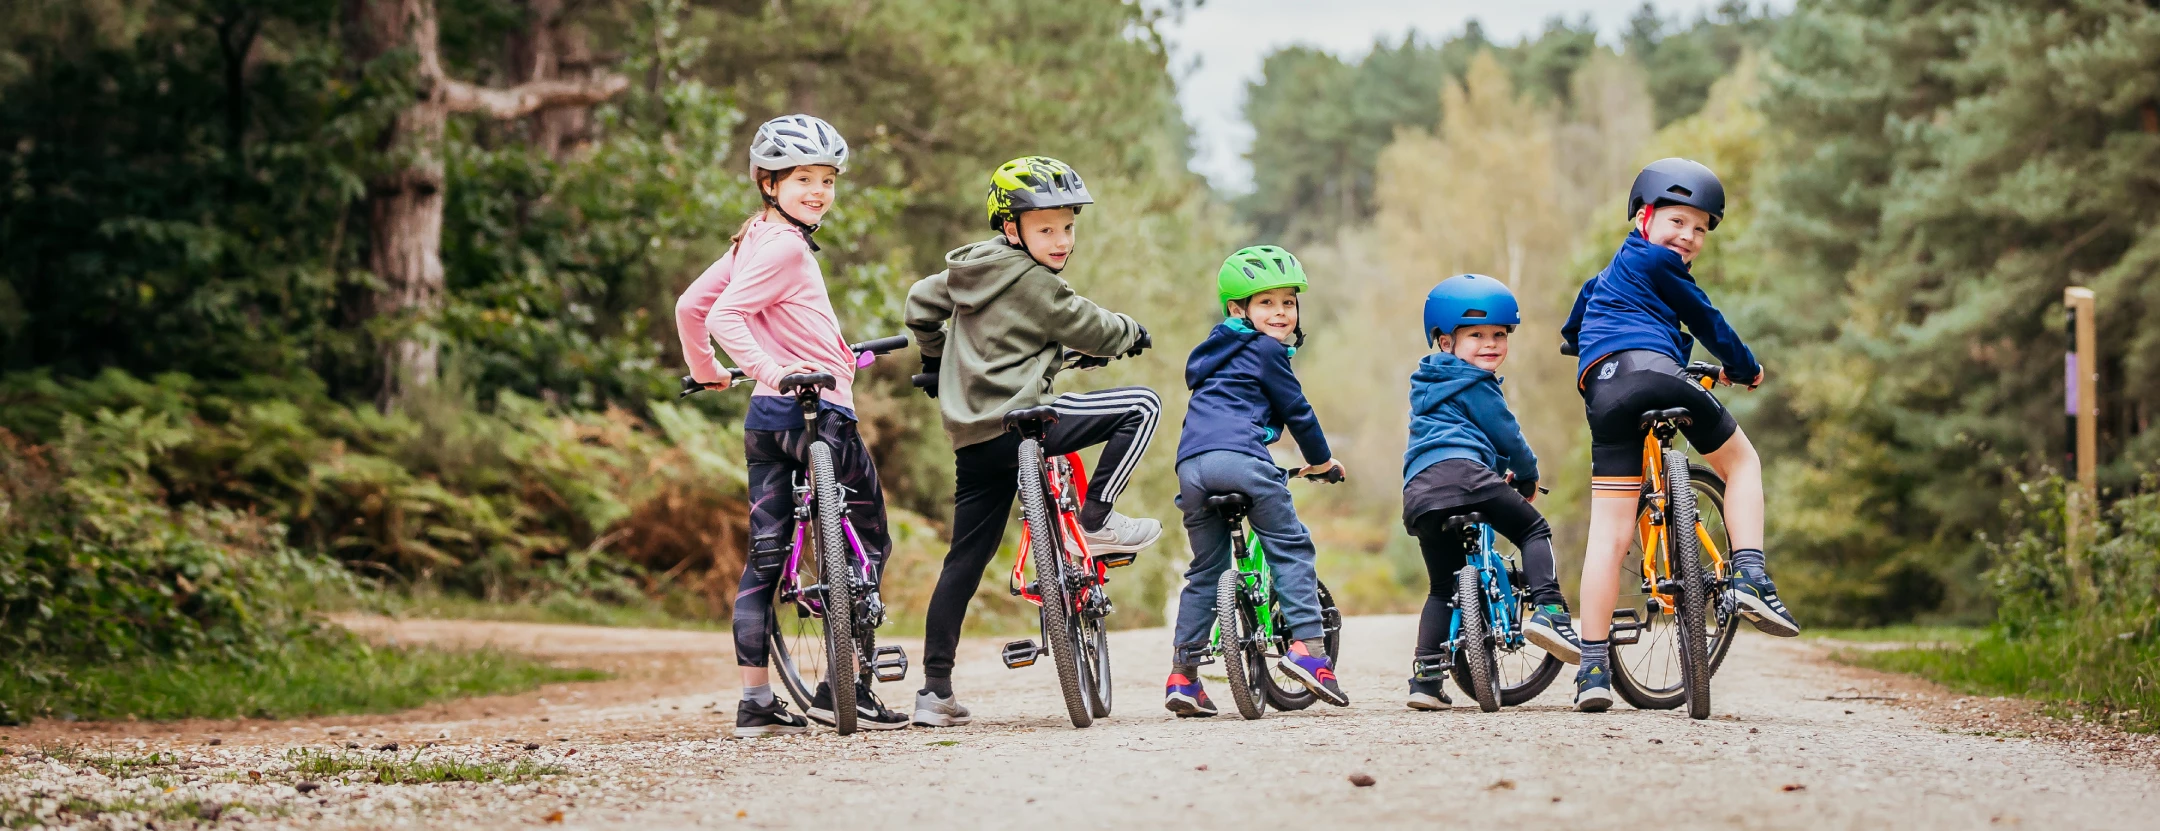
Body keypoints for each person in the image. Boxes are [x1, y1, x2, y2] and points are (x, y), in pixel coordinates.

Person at [904, 156, 1162, 727]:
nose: (1062, 239)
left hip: (974, 440)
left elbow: (920, 305)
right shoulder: (1037, 284)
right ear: (1010, 227)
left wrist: (932, 358)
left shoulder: (967, 271)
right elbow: (1092, 326)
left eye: (1068, 226)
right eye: (1045, 228)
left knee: (964, 560)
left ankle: (934, 690)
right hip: (1027, 424)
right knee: (1143, 406)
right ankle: (1095, 521)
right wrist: (1131, 332)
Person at [673, 114, 909, 736]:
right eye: (803, 178)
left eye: (827, 180)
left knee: (766, 557)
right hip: (819, 413)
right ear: (767, 181)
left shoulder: (753, 237)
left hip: (767, 421)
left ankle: (756, 702)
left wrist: (714, 373)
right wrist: (771, 368)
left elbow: (690, 307)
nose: (818, 192)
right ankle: (845, 686)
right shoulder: (784, 245)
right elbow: (725, 316)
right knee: (871, 538)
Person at [1559, 157, 1799, 714]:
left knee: (1608, 535)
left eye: (1699, 228)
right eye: (1677, 222)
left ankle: (1593, 671)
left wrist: (1587, 342)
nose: (1688, 237)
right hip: (1659, 374)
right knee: (1742, 464)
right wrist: (1745, 367)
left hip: (1603, 393)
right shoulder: (1661, 266)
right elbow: (1709, 321)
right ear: (1643, 218)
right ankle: (1751, 578)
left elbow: (1573, 327)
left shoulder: (1609, 274)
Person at [1163, 246, 1348, 717]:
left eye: (1288, 302)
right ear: (1237, 309)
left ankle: (1183, 677)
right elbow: (1298, 413)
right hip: (1241, 459)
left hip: (1191, 467)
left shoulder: (1211, 354)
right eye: (1266, 303)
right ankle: (1307, 649)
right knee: (1291, 546)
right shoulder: (1267, 351)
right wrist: (1323, 462)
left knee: (1205, 570)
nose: (1281, 312)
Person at [1401, 274, 1581, 710]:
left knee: (1442, 587)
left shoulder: (1427, 384)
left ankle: (1425, 681)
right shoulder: (1477, 383)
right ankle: (1551, 612)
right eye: (1476, 335)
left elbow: (1457, 437)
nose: (1491, 344)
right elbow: (1507, 437)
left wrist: (1492, 469)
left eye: (1499, 334)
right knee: (1534, 530)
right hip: (1466, 475)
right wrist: (1527, 476)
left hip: (1420, 491)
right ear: (1445, 342)